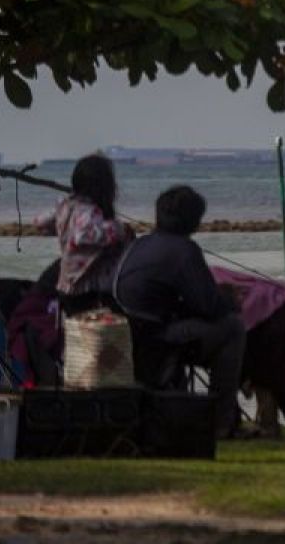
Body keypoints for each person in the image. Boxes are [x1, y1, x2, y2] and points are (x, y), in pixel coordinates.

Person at [113, 185, 246, 437]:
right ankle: (221, 422)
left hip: (132, 333)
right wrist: (229, 298)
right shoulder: (184, 250)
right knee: (233, 328)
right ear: (194, 222)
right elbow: (209, 307)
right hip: (158, 337)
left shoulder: (140, 245)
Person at [211, 266, 285, 435]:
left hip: (275, 319)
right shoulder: (213, 274)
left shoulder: (210, 282)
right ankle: (268, 423)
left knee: (262, 372)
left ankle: (268, 425)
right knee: (263, 370)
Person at [33, 154, 132, 296]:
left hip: (65, 285)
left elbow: (40, 222)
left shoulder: (66, 205)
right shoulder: (89, 210)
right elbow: (83, 235)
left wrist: (63, 225)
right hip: (87, 289)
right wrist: (120, 229)